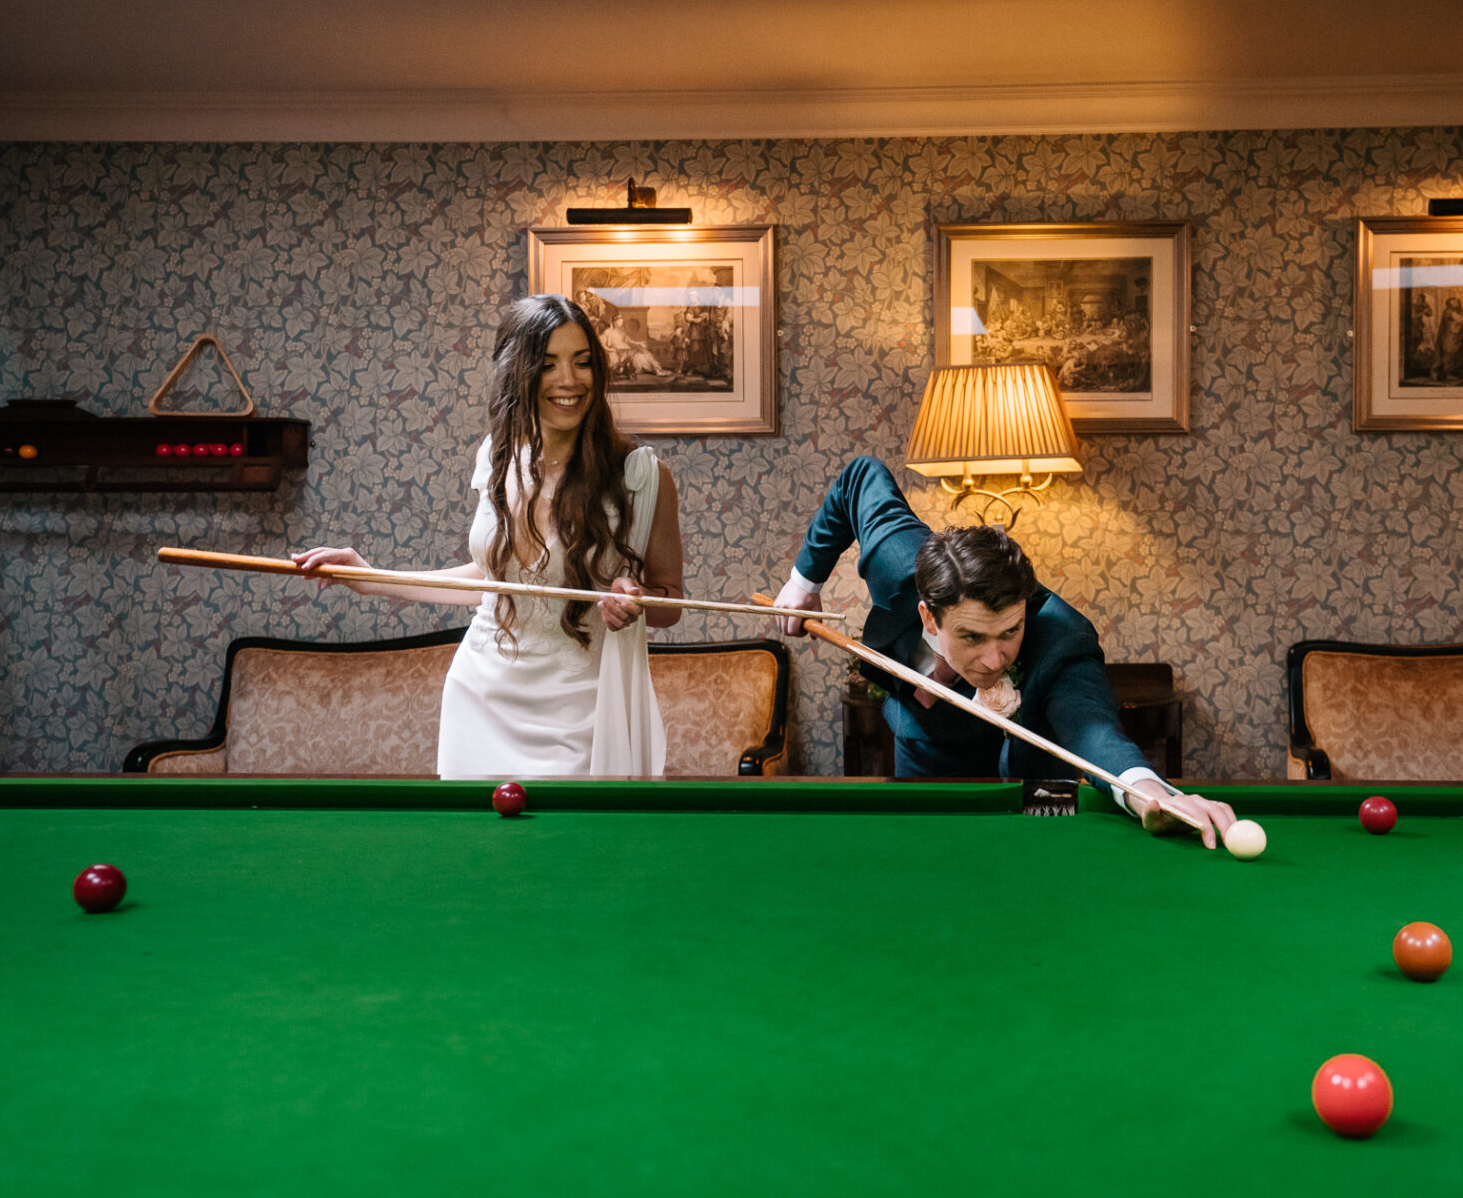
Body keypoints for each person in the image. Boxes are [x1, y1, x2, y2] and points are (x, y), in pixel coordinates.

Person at [292, 294, 685, 778]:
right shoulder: (495, 458)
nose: (569, 380)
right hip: (481, 697)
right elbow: (491, 578)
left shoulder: (642, 476)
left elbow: (671, 604)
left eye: (582, 363)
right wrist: (369, 577)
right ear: (518, 373)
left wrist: (637, 599)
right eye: (548, 364)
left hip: (583, 712)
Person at [773, 457, 1236, 849]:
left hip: (1029, 775)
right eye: (973, 637)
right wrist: (802, 583)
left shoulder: (1061, 637)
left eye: (1009, 632)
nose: (996, 660)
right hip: (925, 741)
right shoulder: (896, 560)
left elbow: (1092, 728)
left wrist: (1147, 791)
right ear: (929, 618)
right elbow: (861, 475)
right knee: (928, 857)